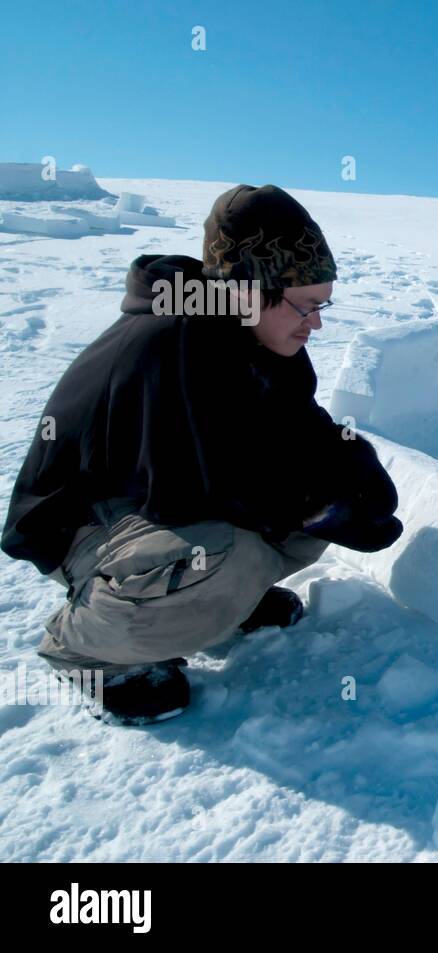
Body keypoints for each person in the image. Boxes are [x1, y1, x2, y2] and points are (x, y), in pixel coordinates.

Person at [1, 185, 403, 724]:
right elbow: (186, 493)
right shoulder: (166, 343)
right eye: (305, 306)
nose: (317, 323)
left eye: (322, 305)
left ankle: (218, 607)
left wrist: (352, 472)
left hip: (161, 511)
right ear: (246, 287)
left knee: (313, 510)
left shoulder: (262, 340)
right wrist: (309, 502)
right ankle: (87, 650)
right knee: (223, 551)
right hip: (89, 526)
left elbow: (301, 436)